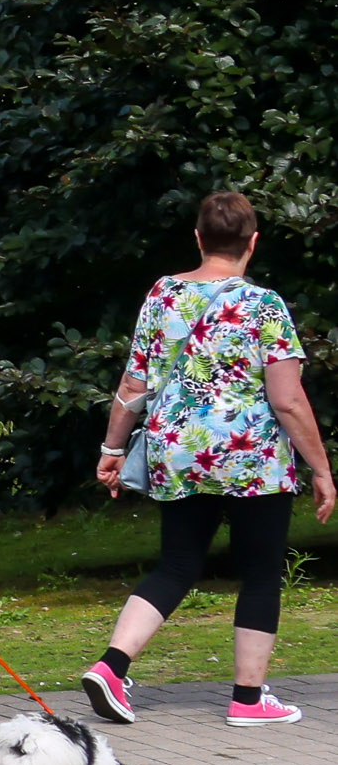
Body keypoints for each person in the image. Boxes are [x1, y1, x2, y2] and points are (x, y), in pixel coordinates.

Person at [81, 187, 333, 729]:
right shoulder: (266, 305)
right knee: (261, 572)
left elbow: (133, 382)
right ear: (253, 241)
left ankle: (112, 665)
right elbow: (287, 399)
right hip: (253, 457)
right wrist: (321, 468)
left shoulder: (162, 294)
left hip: (179, 453)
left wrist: (112, 449)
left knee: (177, 564)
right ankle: (247, 699)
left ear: (198, 238)